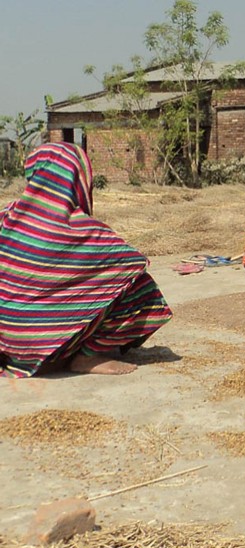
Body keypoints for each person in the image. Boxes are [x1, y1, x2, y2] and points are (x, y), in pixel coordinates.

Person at [0, 143, 173, 377]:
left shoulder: (5, 218)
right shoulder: (86, 230)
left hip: (7, 345)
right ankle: (86, 357)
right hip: (45, 346)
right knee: (141, 286)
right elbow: (134, 263)